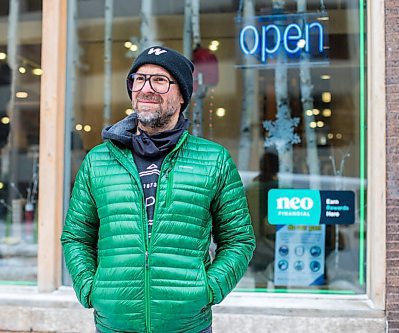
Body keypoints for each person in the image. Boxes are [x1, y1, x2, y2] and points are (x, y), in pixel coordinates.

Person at [61, 46, 256, 333]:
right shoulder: (98, 161)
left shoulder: (213, 160)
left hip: (188, 325)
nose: (146, 88)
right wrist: (91, 289)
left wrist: (208, 289)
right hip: (115, 324)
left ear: (182, 95)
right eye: (139, 79)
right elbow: (76, 237)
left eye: (160, 80)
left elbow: (239, 240)